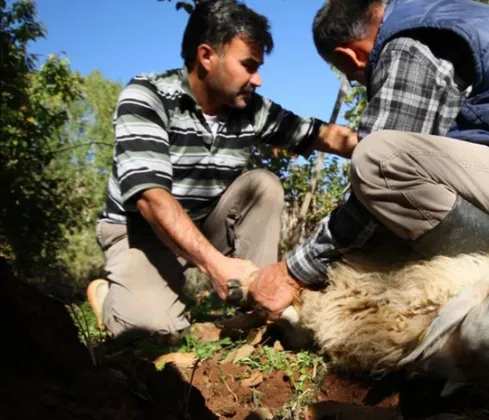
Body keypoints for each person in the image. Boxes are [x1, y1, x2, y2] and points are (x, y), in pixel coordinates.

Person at [245, 0, 489, 321]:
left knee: (379, 159)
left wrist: (292, 272)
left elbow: (380, 168)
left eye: (347, 74)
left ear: (349, 56)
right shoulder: (446, 20)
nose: (354, 82)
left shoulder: (410, 45)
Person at [85, 0, 357, 338]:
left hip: (203, 222)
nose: (257, 79)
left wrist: (381, 149)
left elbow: (323, 136)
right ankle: (112, 297)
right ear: (206, 57)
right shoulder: (147, 96)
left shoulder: (250, 110)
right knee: (152, 332)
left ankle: (257, 305)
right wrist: (215, 265)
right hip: (140, 232)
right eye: (248, 65)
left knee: (263, 185)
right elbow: (150, 198)